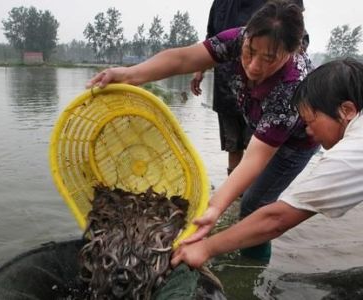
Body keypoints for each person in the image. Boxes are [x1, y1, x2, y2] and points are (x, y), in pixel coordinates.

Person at [87, 0, 319, 261]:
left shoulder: (292, 86)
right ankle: (237, 241)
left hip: (297, 142)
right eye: (250, 52)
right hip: (259, 119)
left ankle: (253, 268)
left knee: (254, 205)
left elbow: (256, 156)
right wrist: (128, 75)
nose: (253, 66)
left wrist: (214, 207)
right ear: (247, 37)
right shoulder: (239, 38)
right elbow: (183, 58)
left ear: (291, 52)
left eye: (268, 59)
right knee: (244, 192)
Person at [171, 58, 363, 268]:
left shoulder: (351, 154)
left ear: (347, 110)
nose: (308, 131)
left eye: (309, 122)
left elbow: (276, 219)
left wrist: (205, 248)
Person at [191, 0, 266, 177]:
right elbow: (211, 38)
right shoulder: (220, 3)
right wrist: (200, 68)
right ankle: (234, 194)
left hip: (258, 86)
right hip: (225, 83)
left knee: (257, 144)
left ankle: (252, 195)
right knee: (233, 144)